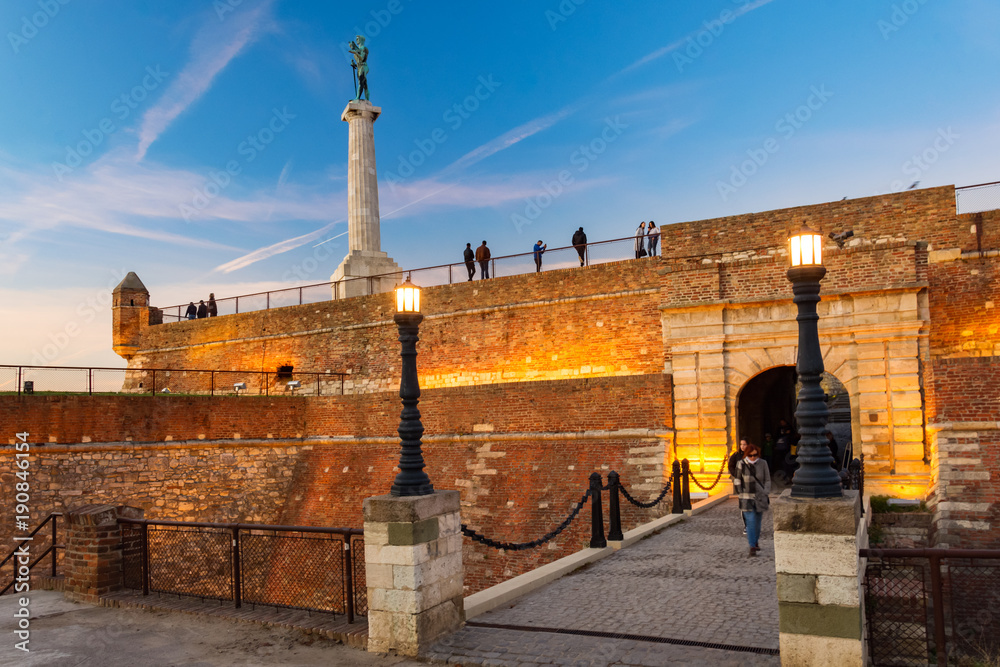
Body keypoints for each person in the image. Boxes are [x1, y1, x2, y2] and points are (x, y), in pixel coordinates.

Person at [734, 442, 771, 556]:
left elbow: (767, 479)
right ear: (746, 455)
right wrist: (740, 492)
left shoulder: (763, 463)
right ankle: (752, 545)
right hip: (746, 497)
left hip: (760, 497)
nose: (753, 457)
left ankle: (755, 542)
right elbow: (737, 479)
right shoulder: (741, 464)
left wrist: (765, 492)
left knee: (758, 523)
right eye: (750, 455)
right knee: (750, 521)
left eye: (755, 455)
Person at [728, 438, 750, 536]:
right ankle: (747, 525)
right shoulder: (736, 456)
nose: (742, 446)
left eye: (744, 444)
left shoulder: (752, 455)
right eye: (741, 444)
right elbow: (730, 465)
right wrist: (736, 474)